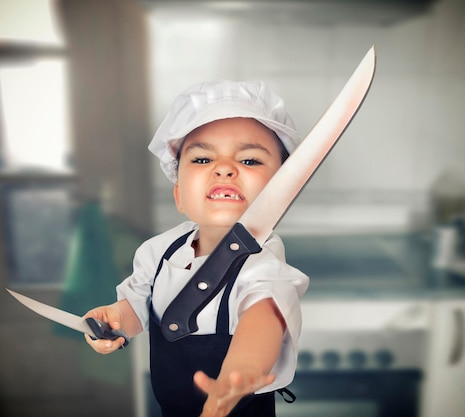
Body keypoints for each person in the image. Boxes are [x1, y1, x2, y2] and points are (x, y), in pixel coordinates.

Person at [84, 80, 310, 417]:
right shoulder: (157, 251)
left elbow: (264, 316)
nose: (224, 168)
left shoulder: (263, 264)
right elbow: (138, 305)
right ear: (178, 195)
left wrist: (243, 369)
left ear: (282, 193)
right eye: (203, 159)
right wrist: (115, 320)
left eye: (249, 161)